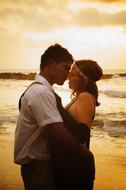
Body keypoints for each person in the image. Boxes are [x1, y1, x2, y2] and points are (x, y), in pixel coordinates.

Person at [14, 44, 94, 190]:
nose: (67, 74)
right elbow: (58, 133)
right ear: (51, 64)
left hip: (40, 166)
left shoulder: (40, 90)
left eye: (70, 70)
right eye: (65, 68)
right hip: (38, 168)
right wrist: (86, 154)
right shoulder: (41, 93)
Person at [52, 60, 103, 190]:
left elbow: (82, 134)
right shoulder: (79, 97)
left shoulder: (85, 97)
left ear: (84, 81)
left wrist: (57, 105)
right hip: (71, 163)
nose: (69, 76)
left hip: (76, 166)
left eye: (73, 75)